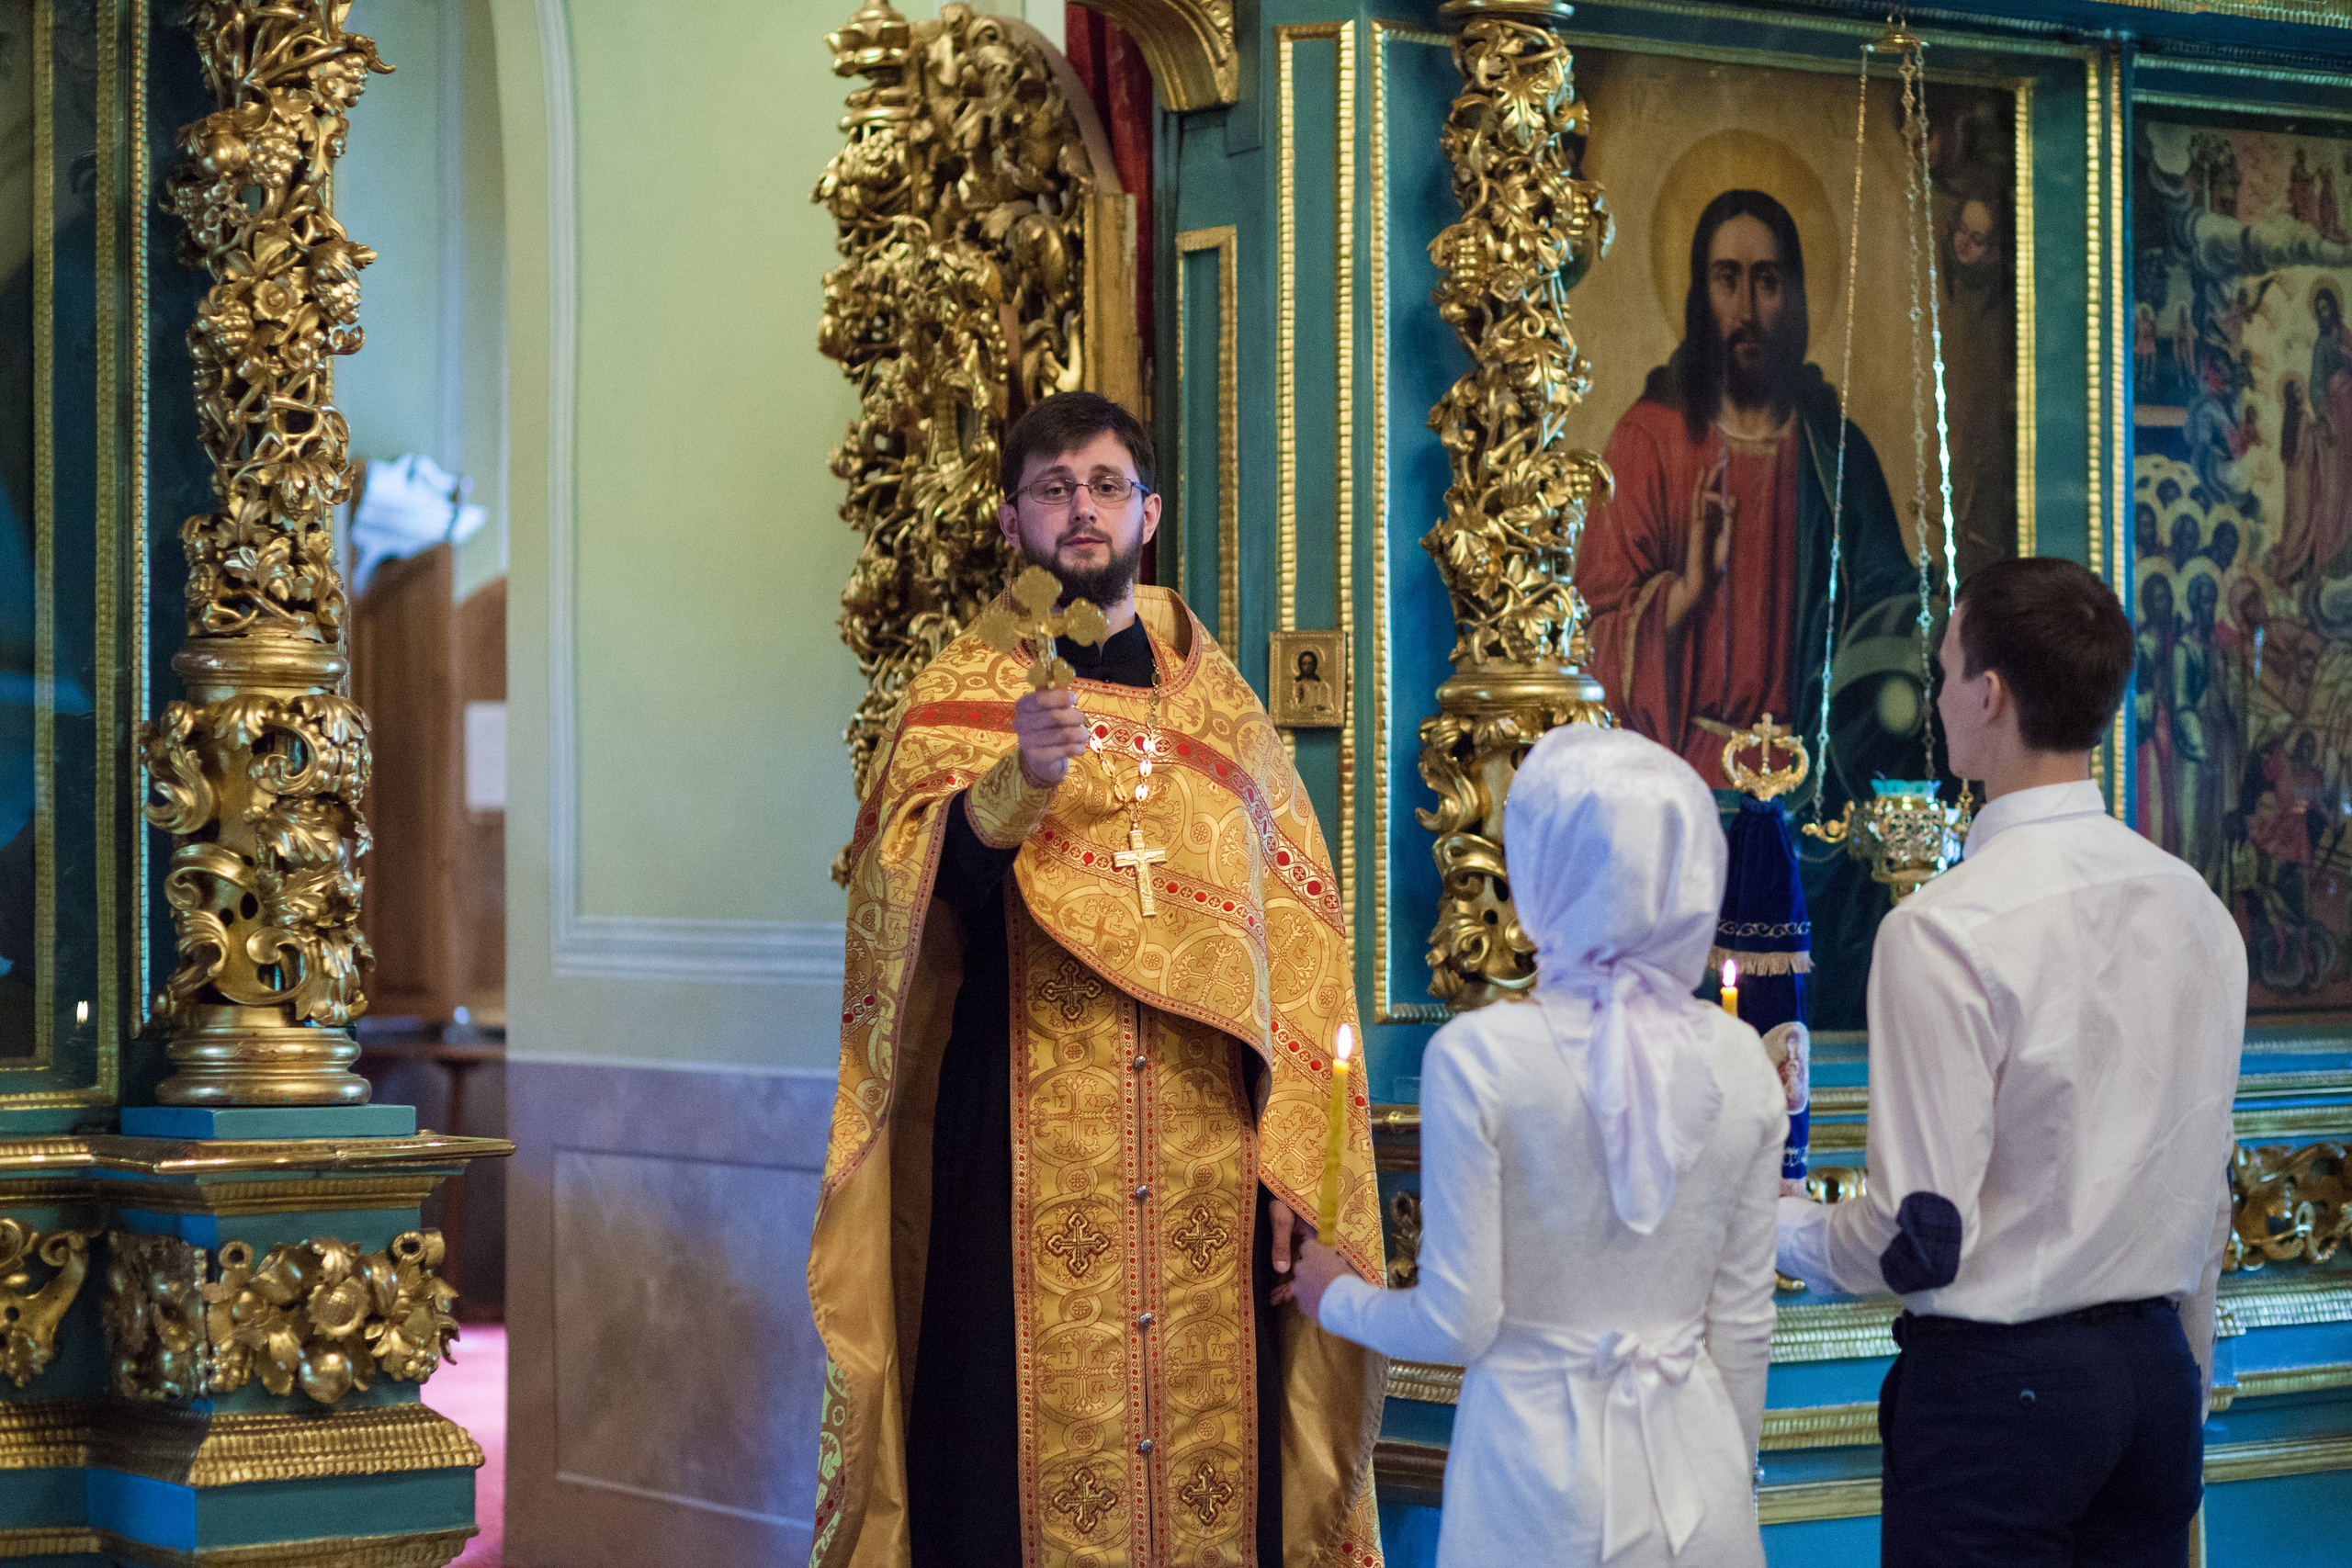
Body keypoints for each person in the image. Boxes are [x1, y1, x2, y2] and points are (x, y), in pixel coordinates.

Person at [808, 391, 1385, 1568]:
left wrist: (1300, 1165)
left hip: (1203, 1163)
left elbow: (1302, 956)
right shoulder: (963, 690)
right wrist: (1007, 788)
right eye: (1055, 487)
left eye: (1106, 484)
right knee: (998, 1453)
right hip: (1011, 1138)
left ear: (1150, 512)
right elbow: (904, 909)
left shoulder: (1225, 720)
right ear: (1013, 519)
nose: (1083, 509)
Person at [1776, 557, 2246, 1567]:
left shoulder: (1943, 930)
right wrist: (2184, 1380)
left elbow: (1919, 1241)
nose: (1939, 697)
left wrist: (1785, 1232)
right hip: (2155, 1381)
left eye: (1945, 670)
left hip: (2002, 1403)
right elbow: (2207, 1197)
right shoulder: (2199, 914)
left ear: (1986, 695)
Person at [1287, 725, 1784, 1568]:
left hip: (1532, 1482)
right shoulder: (1741, 1060)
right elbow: (1741, 1324)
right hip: (1696, 1483)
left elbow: (1459, 1321)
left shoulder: (1479, 1058)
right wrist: (1722, 1480)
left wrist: (1334, 1296)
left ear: (1546, 870)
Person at [1572, 186, 1923, 1031]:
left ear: (1796, 295)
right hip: (1687, 783)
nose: (1748, 306)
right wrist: (1683, 595)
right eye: (1727, 279)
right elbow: (1591, 632)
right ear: (1700, 294)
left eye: (1768, 281)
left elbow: (1887, 615)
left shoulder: (1836, 452)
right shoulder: (1650, 441)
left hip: (1818, 792)